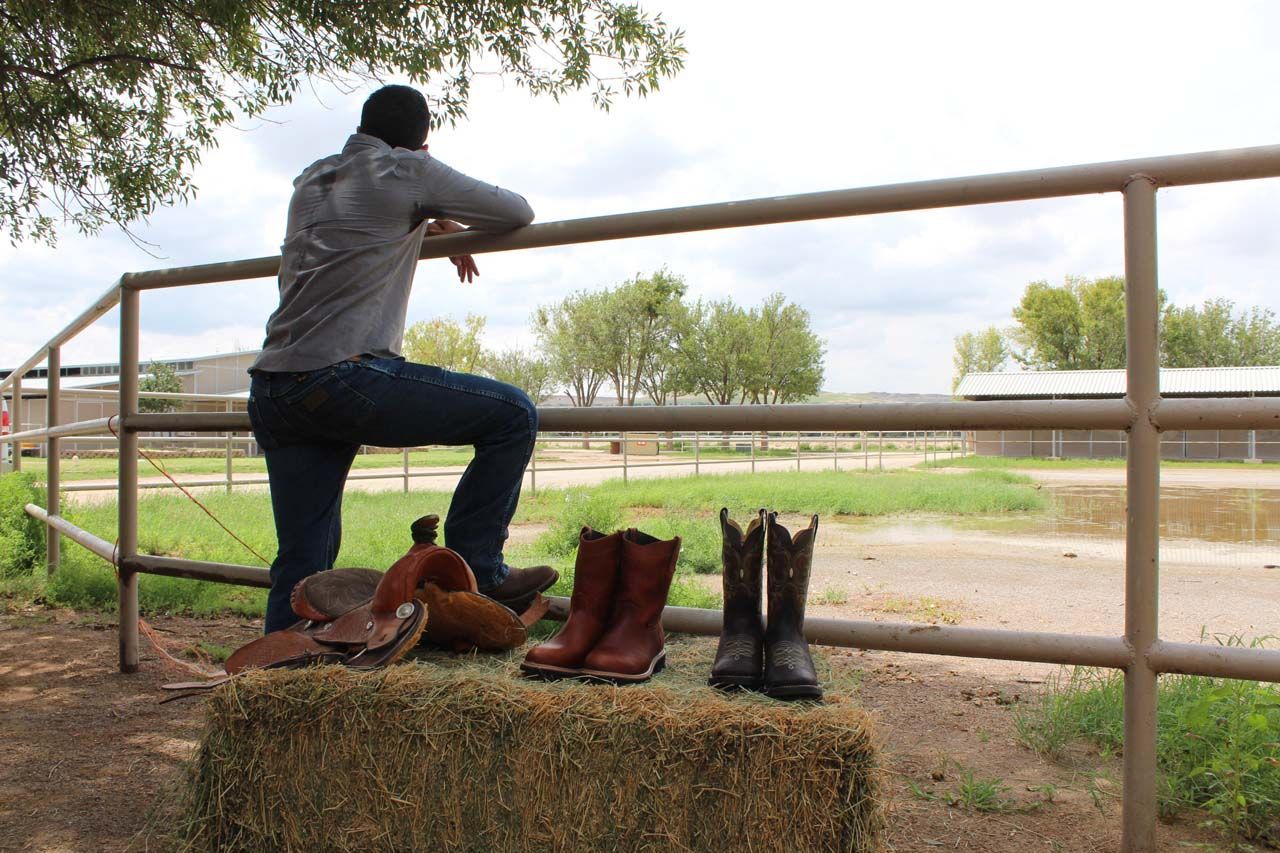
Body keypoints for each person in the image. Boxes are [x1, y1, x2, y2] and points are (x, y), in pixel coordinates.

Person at [247, 84, 555, 633]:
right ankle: (478, 569)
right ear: (422, 141)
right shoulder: (407, 173)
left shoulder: (313, 177)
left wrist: (430, 219)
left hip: (274, 387)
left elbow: (364, 214)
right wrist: (431, 195)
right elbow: (516, 210)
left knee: (301, 563)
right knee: (514, 415)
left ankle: (283, 682)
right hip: (342, 377)